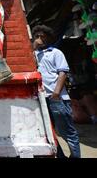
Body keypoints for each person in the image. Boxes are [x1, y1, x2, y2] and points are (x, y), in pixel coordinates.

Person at [32, 25, 81, 158]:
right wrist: (34, 48)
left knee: (67, 132)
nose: (40, 39)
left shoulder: (55, 52)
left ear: (48, 38)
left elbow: (63, 72)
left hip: (57, 98)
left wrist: (56, 93)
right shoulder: (33, 54)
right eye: (37, 36)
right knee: (50, 132)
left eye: (43, 36)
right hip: (41, 99)